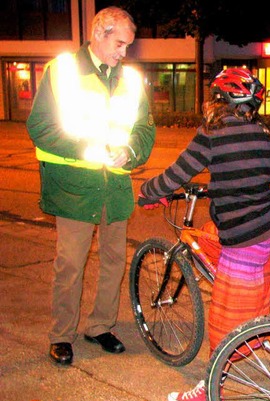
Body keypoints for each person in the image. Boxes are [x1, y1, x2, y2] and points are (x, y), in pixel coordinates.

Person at [138, 67, 270, 401]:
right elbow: (269, 173)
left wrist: (147, 191)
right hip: (267, 228)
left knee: (222, 317)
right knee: (208, 232)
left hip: (243, 237)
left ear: (220, 100)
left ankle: (211, 389)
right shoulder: (265, 135)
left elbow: (177, 172)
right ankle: (262, 293)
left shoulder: (213, 133)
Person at [26, 7, 156, 366]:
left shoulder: (130, 79)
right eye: (119, 43)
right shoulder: (63, 71)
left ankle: (100, 326)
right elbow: (40, 127)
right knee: (70, 263)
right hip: (75, 187)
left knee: (114, 260)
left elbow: (145, 128)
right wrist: (91, 148)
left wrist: (129, 151)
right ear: (99, 33)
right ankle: (61, 335)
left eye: (128, 45)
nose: (124, 53)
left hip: (114, 187)